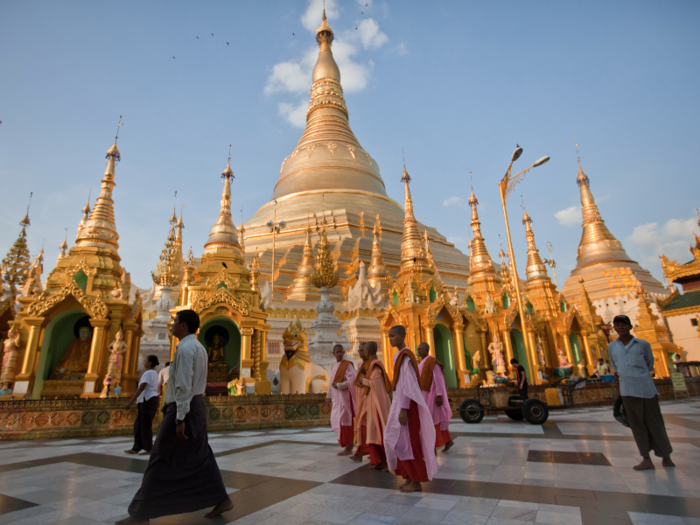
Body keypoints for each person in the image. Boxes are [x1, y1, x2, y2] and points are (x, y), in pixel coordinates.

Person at [119, 310, 232, 525]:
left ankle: (141, 515)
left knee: (160, 455)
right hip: (195, 405)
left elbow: (182, 384)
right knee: (200, 453)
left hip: (184, 407)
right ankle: (222, 499)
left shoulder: (185, 348)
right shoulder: (198, 347)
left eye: (175, 321)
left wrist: (180, 419)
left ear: (183, 326)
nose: (172, 324)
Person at [608, 314, 675, 471]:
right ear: (614, 328)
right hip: (627, 391)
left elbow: (649, 365)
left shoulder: (642, 344)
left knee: (655, 423)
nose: (620, 327)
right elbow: (616, 370)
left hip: (646, 390)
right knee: (637, 426)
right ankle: (646, 458)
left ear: (630, 327)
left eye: (623, 324)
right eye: (617, 325)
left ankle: (666, 455)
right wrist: (619, 392)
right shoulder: (612, 347)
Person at [384, 326, 437, 493]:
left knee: (410, 443)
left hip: (407, 407)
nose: (390, 339)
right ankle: (408, 476)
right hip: (399, 404)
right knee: (396, 440)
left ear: (402, 336)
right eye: (389, 336)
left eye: (393, 336)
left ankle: (416, 480)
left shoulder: (406, 357)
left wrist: (404, 408)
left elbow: (409, 385)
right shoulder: (399, 356)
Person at [353, 341, 391, 470]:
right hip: (371, 404)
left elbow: (375, 385)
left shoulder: (376, 366)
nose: (362, 352)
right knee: (373, 432)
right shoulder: (371, 367)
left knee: (379, 432)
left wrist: (362, 380)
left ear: (367, 351)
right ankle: (378, 461)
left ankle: (386, 462)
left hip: (377, 406)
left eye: (364, 350)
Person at [417, 343, 454, 453]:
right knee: (429, 420)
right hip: (424, 394)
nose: (419, 351)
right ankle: (447, 441)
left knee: (432, 419)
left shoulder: (432, 362)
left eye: (421, 349)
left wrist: (439, 395)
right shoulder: (422, 362)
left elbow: (438, 379)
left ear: (427, 350)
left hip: (432, 395)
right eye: (418, 349)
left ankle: (432, 446)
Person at [124, 355, 160, 455]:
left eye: (145, 361)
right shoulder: (154, 373)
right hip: (149, 398)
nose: (144, 362)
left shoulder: (148, 373)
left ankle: (149, 448)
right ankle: (137, 447)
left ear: (150, 363)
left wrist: (130, 402)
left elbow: (141, 387)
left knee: (145, 424)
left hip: (147, 399)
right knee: (139, 424)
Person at [325, 344, 356, 456]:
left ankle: (349, 448)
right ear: (333, 353)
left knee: (346, 422)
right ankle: (345, 445)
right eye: (337, 352)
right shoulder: (334, 367)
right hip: (337, 400)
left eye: (341, 352)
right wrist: (328, 397)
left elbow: (352, 381)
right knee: (337, 421)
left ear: (344, 353)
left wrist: (339, 385)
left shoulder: (348, 365)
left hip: (346, 399)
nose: (339, 354)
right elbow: (331, 383)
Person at [351, 342, 369, 462]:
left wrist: (365, 374)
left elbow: (376, 382)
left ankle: (364, 452)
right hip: (361, 400)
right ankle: (361, 451)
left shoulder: (374, 364)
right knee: (362, 426)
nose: (362, 353)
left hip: (370, 400)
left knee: (369, 427)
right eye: (360, 351)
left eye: (364, 350)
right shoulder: (360, 364)